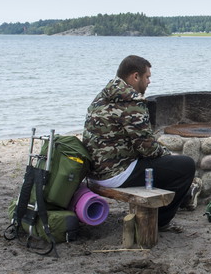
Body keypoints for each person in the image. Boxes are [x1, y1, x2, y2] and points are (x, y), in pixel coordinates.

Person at [83, 55, 196, 229]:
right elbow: (148, 148)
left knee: (163, 166)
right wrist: (168, 155)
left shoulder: (102, 96)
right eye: (147, 77)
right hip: (116, 175)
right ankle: (161, 221)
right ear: (135, 76)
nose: (149, 82)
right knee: (185, 165)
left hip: (94, 174)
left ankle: (173, 201)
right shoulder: (133, 101)